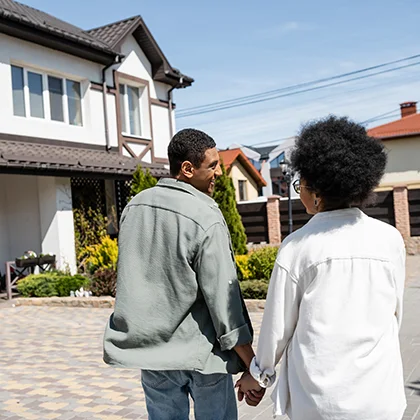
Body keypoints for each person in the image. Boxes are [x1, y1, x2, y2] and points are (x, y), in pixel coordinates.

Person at [237, 116, 406, 420]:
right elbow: (395, 316)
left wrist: (258, 377)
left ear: (318, 192)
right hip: (382, 394)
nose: (298, 190)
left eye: (300, 183)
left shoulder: (298, 246)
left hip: (321, 401)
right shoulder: (390, 239)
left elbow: (277, 329)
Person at [104, 128, 257, 420]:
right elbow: (224, 301)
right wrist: (251, 363)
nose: (218, 174)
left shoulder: (134, 207)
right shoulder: (205, 214)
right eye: (212, 166)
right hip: (204, 358)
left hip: (153, 355)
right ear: (187, 169)